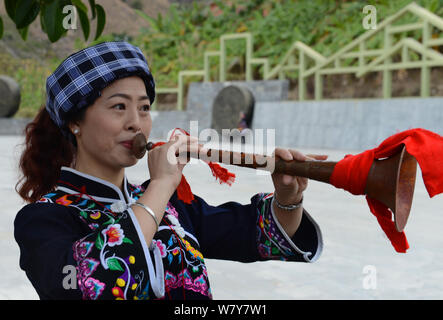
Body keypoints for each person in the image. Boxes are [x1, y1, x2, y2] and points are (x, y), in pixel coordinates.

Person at [14, 41, 324, 300]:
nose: (136, 122)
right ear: (74, 122)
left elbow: (255, 233)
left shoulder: (172, 207)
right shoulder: (44, 218)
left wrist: (287, 196)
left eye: (144, 107)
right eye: (119, 106)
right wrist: (161, 184)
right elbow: (86, 286)